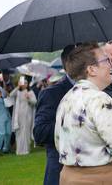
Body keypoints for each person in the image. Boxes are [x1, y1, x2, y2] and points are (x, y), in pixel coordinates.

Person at [55, 42, 112, 185]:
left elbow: (59, 143)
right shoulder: (99, 99)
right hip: (102, 178)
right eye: (106, 60)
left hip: (69, 177)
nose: (111, 64)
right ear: (92, 69)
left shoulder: (66, 99)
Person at [34, 45, 75, 185]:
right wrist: (75, 124)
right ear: (70, 64)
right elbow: (40, 132)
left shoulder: (99, 89)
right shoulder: (51, 93)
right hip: (60, 168)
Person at [9, 77, 37, 155]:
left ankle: (26, 149)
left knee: (26, 131)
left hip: (27, 114)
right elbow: (10, 94)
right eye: (23, 83)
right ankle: (19, 150)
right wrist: (18, 86)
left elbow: (35, 102)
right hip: (18, 115)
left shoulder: (30, 92)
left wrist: (29, 98)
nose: (25, 84)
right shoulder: (17, 92)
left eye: (26, 83)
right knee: (19, 132)